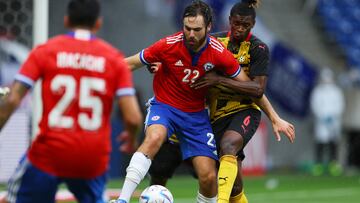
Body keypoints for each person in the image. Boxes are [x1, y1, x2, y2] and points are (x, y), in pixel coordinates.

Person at [112, 1, 293, 203]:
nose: (190, 34)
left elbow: (254, 89)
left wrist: (274, 117)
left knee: (208, 177)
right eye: (187, 28)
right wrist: (102, 69)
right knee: (154, 139)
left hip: (197, 116)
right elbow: (131, 62)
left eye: (196, 29)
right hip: (166, 107)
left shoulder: (220, 52)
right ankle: (122, 199)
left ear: (208, 28)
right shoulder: (168, 44)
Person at [0, 0, 143, 202]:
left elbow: (13, 99)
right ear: (98, 23)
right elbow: (133, 117)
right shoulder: (113, 59)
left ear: (66, 20)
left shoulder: (45, 51)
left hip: (50, 154)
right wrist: (130, 136)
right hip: (91, 157)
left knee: (14, 197)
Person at [310, 67, 345, 176]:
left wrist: (333, 116)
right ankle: (318, 165)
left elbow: (340, 105)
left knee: (333, 143)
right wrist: (322, 116)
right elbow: (315, 105)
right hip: (321, 122)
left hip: (334, 121)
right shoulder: (318, 91)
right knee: (320, 143)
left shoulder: (337, 91)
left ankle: (333, 165)